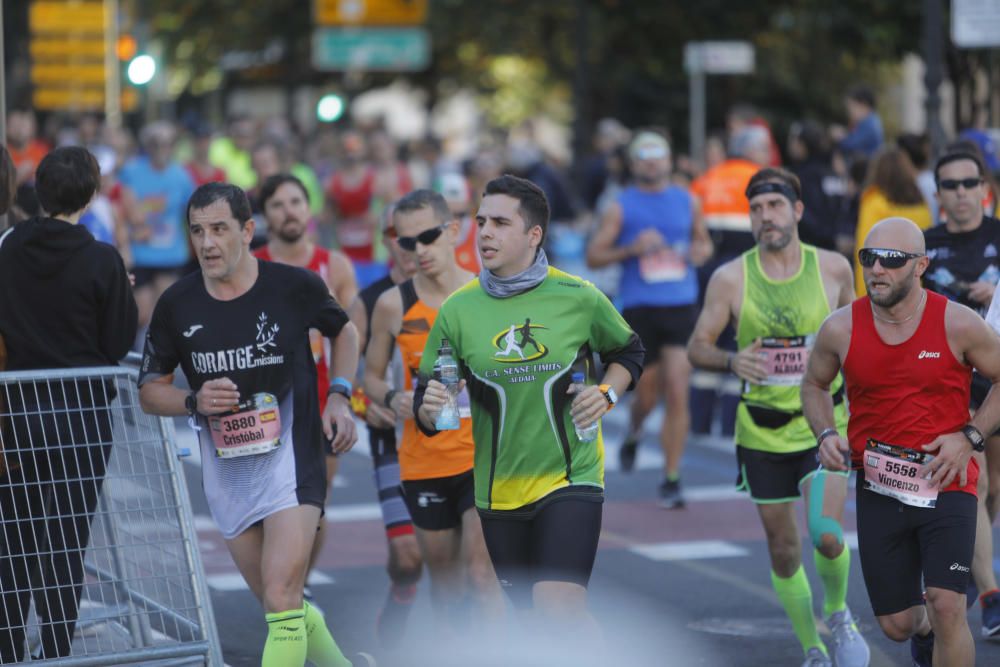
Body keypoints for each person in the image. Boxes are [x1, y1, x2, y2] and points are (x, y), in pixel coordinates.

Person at [137, 182, 372, 667]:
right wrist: (192, 399)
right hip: (229, 472)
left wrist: (341, 396)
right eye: (197, 231)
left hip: (294, 458)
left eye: (219, 229)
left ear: (247, 231)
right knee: (278, 602)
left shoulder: (293, 285)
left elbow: (344, 331)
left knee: (283, 594)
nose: (207, 243)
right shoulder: (177, 304)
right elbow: (148, 390)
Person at [413, 175, 645, 648]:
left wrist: (607, 394)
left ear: (533, 234)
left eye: (500, 222)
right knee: (535, 624)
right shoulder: (458, 311)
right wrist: (429, 405)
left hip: (570, 476)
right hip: (498, 490)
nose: (485, 233)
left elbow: (629, 351)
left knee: (559, 605)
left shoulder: (577, 296)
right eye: (480, 222)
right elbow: (431, 397)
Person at [687, 168, 868, 667]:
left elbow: (861, 340)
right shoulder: (730, 278)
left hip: (822, 422)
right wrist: (730, 360)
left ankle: (838, 614)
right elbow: (696, 346)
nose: (766, 217)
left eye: (775, 206)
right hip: (762, 430)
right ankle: (811, 647)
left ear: (797, 211)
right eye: (758, 209)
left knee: (826, 534)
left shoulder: (832, 269)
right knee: (785, 549)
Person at [803, 217, 1000, 667]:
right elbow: (814, 385)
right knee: (897, 624)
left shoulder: (958, 323)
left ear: (921, 266)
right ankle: (926, 627)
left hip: (947, 480)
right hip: (880, 487)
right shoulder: (841, 328)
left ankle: (942, 618)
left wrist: (969, 437)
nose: (877, 269)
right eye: (868, 258)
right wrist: (826, 433)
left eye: (891, 260)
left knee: (948, 605)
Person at [0, 146, 138, 661]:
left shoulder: (8, 249)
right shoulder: (100, 258)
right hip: (81, 413)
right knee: (67, 535)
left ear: (40, 187)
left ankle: (10, 645)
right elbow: (117, 342)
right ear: (91, 193)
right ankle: (55, 647)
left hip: (17, 410)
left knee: (17, 531)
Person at [364, 189, 503, 634]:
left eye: (427, 237)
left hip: (486, 458)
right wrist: (391, 400)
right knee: (448, 590)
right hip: (424, 462)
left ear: (453, 231)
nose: (419, 251)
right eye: (407, 242)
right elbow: (371, 377)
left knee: (484, 579)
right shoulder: (393, 304)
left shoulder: (491, 292)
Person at [586, 130, 712, 507]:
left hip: (681, 304)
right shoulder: (620, 206)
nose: (652, 162)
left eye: (659, 156)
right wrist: (631, 249)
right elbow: (594, 256)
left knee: (677, 389)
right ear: (634, 163)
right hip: (640, 308)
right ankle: (635, 431)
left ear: (670, 161)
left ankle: (671, 478)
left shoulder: (688, 200)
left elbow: (703, 242)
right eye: (645, 156)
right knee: (646, 395)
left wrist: (697, 252)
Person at [252, 173, 358, 605]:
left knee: (314, 503)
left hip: (318, 401)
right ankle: (278, 584)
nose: (289, 211)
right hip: (263, 405)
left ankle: (301, 583)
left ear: (309, 209)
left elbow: (349, 333)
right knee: (266, 508)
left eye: (296, 201)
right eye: (278, 204)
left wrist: (344, 393)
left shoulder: (333, 265)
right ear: (264, 215)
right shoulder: (252, 262)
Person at [923, 151, 1000, 637]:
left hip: (998, 370)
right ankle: (990, 592)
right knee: (978, 481)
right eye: (950, 185)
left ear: (983, 187)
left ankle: (968, 567)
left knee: (994, 488)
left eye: (968, 183)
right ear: (939, 194)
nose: (960, 193)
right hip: (953, 376)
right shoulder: (925, 245)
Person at [346, 204, 422, 647]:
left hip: (453, 438)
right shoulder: (368, 301)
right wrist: (361, 404)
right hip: (391, 440)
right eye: (397, 232)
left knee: (470, 563)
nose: (409, 243)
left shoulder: (460, 291)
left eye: (418, 233)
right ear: (385, 239)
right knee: (409, 558)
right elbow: (342, 371)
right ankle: (403, 591)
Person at [689, 125, 773, 437]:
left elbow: (690, 224)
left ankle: (698, 422)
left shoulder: (707, 179)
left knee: (706, 338)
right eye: (763, 149)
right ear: (752, 150)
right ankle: (729, 427)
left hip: (707, 270)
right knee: (739, 341)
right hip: (747, 270)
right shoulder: (762, 179)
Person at [118, 121, 197, 337]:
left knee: (163, 313)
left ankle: (156, 360)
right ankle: (137, 356)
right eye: (155, 143)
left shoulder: (182, 176)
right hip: (140, 254)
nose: (161, 149)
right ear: (147, 145)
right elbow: (118, 206)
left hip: (170, 255)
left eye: (167, 143)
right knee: (141, 314)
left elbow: (192, 213)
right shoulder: (131, 171)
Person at [853, 147, 932, 295]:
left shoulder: (874, 201)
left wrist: (862, 296)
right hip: (916, 290)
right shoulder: (920, 202)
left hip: (883, 289)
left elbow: (866, 250)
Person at [831, 85, 884, 158]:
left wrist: (840, 137)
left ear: (863, 105)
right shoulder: (867, 122)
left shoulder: (870, 125)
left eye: (851, 107)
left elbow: (850, 145)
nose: (849, 112)